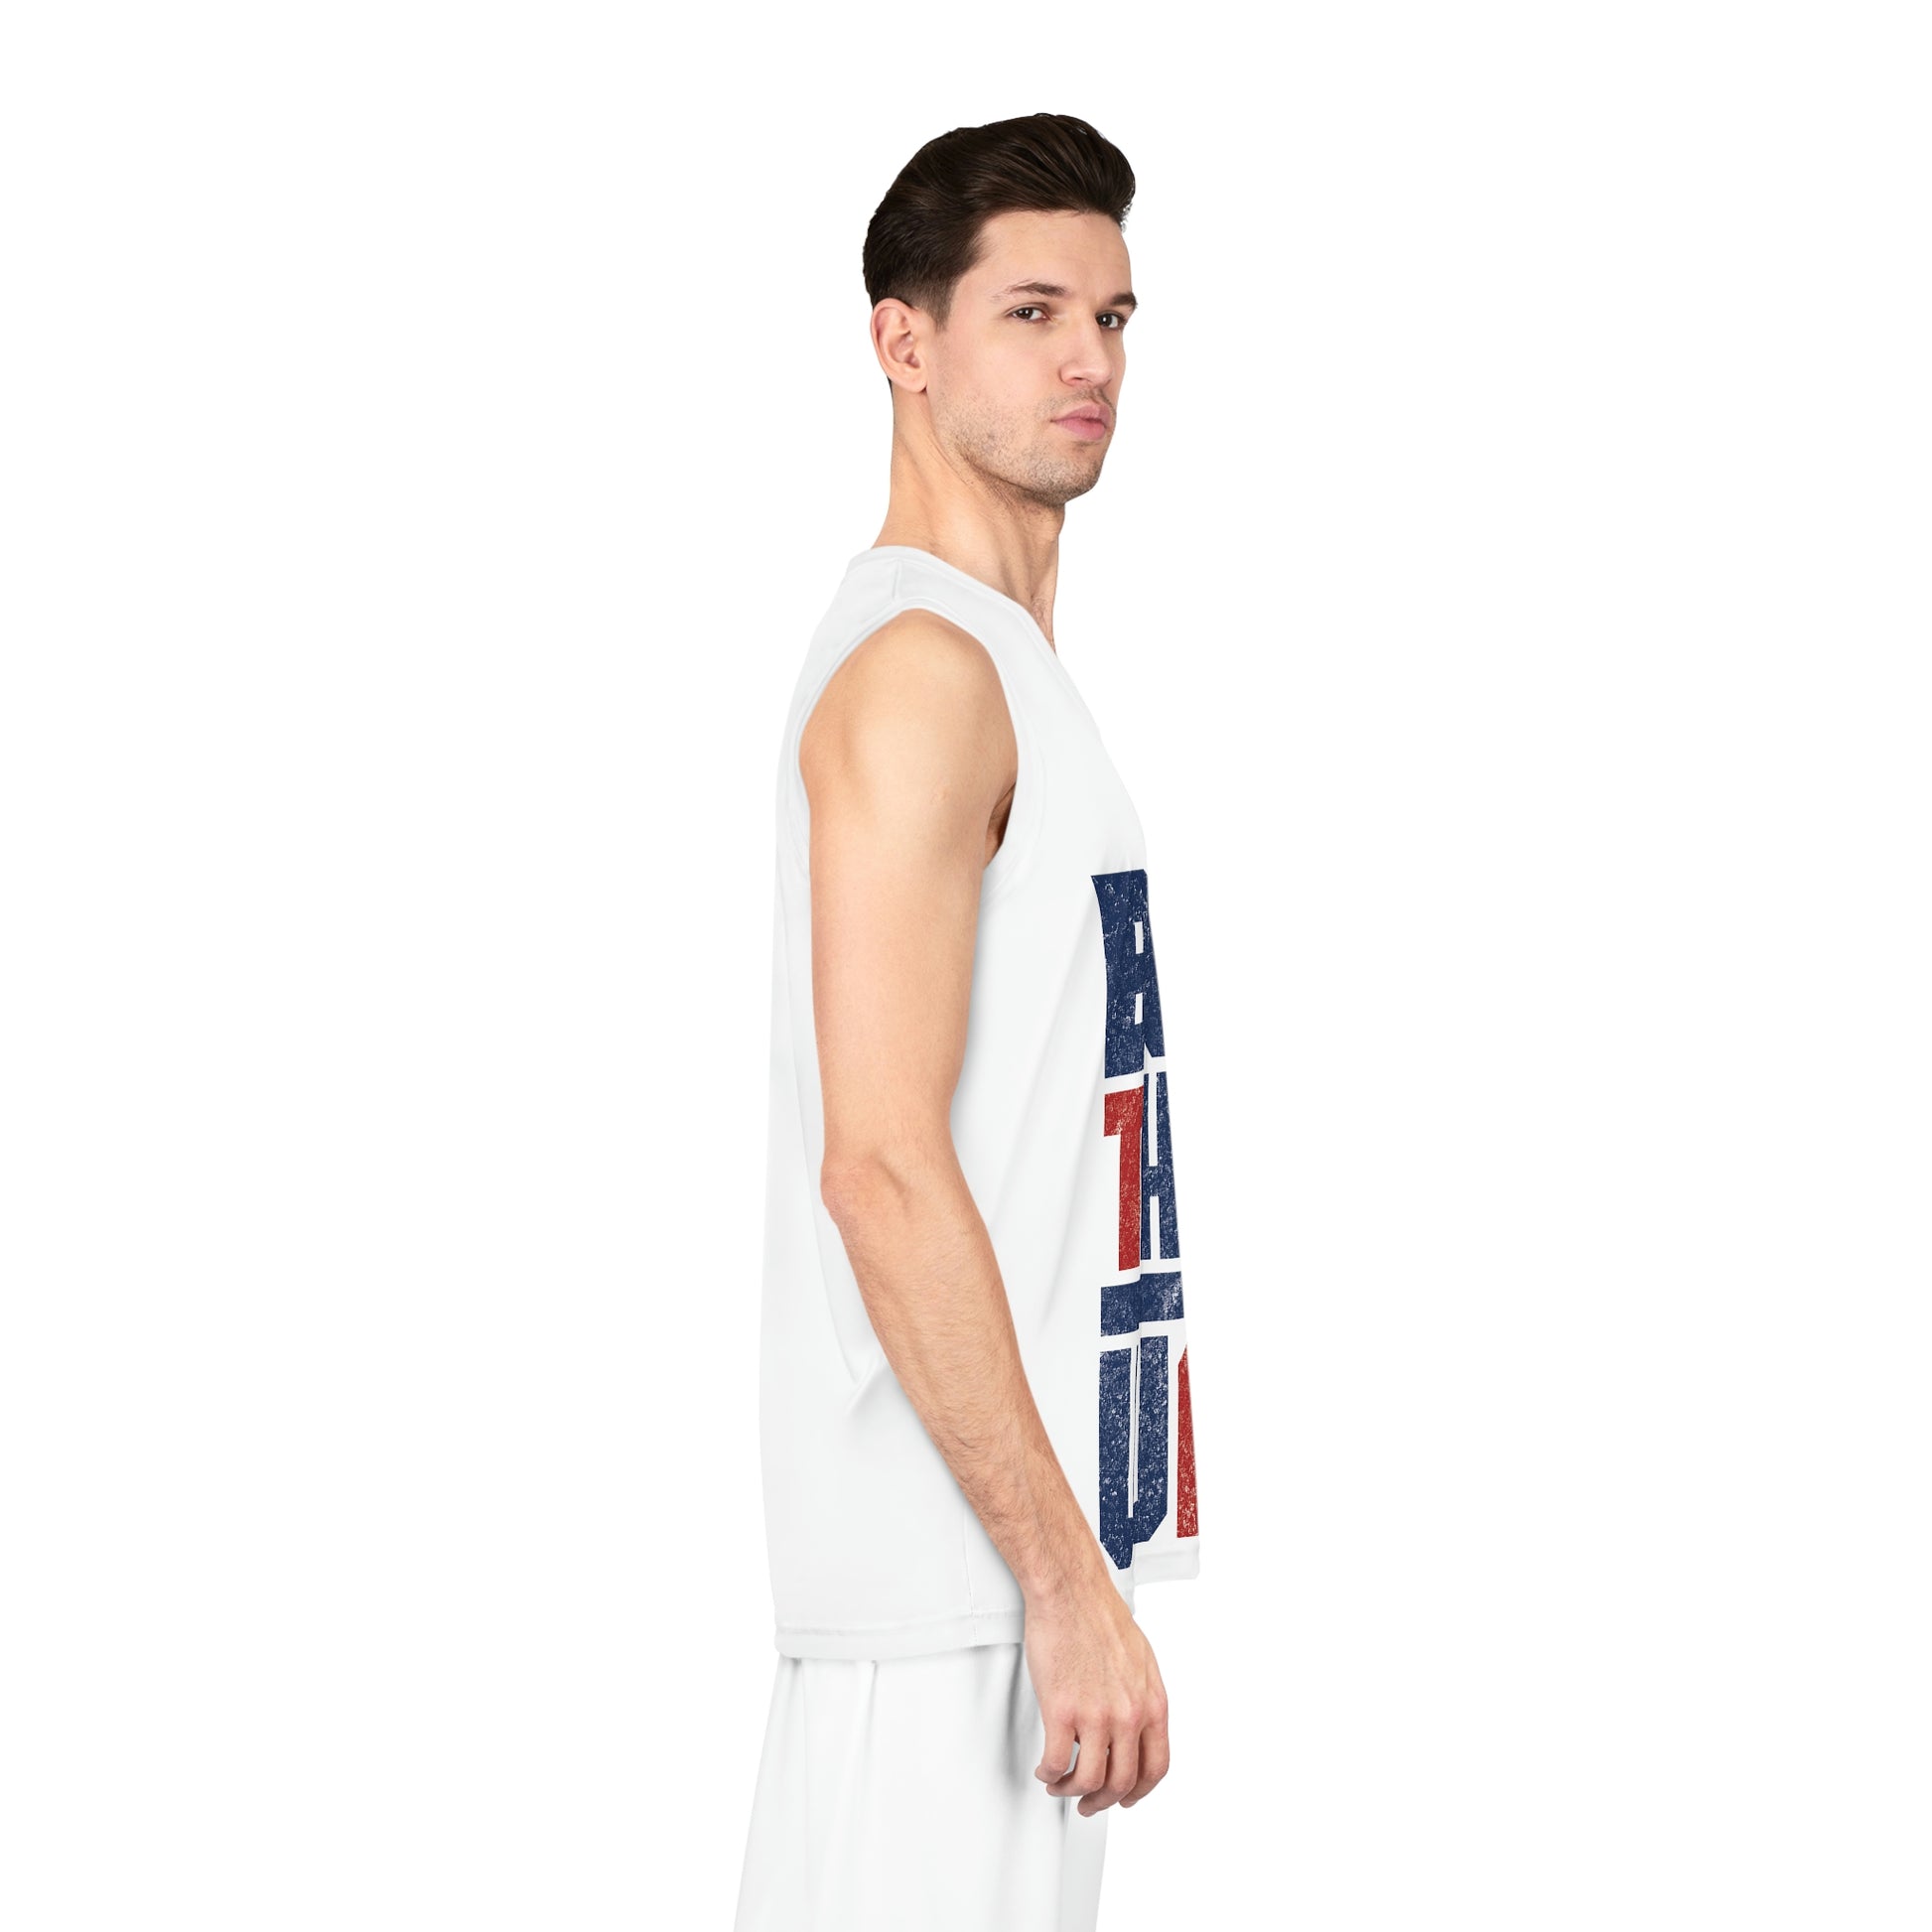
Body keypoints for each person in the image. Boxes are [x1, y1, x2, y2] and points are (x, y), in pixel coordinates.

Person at [734, 112, 1202, 1932]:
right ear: (902, 340)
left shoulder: (1003, 668)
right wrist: (1057, 1576)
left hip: (1000, 1601)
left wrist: (1079, 1573)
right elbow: (878, 1162)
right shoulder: (922, 671)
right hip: (950, 1604)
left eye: (1113, 315)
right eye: (1031, 311)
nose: (1090, 359)